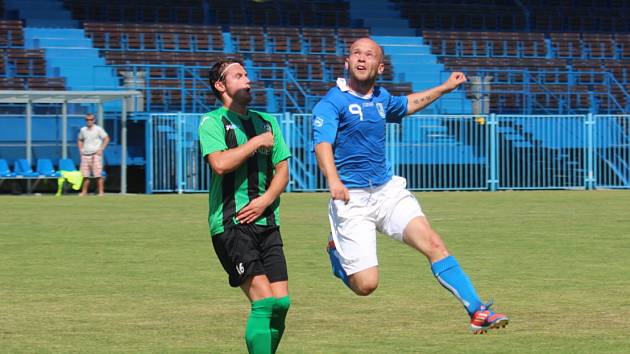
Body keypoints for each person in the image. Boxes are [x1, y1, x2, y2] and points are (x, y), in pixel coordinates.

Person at [312, 37, 509, 334]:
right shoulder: (332, 102)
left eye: (369, 55)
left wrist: (445, 88)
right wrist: (333, 179)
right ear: (347, 62)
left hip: (387, 191)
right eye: (356, 54)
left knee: (434, 244)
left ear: (380, 67)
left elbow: (407, 105)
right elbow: (322, 143)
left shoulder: (381, 98)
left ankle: (477, 310)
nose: (362, 59)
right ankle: (337, 257)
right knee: (366, 286)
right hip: (351, 199)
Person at [199, 59, 292, 353]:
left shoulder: (267, 122)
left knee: (281, 304)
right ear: (220, 85)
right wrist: (256, 143)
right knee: (263, 302)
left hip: (267, 222)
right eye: (238, 75)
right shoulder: (212, 122)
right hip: (231, 224)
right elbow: (220, 164)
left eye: (247, 74)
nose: (248, 80)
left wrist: (265, 200)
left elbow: (283, 169)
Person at [77, 113, 109, 196]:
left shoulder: (98, 129)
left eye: (91, 119)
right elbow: (80, 139)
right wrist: (80, 150)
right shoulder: (83, 129)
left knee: (98, 175)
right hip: (85, 155)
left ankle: (101, 192)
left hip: (95, 155)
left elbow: (106, 138)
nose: (89, 121)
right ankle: (84, 192)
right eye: (87, 120)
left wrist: (101, 149)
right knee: (85, 176)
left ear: (94, 120)